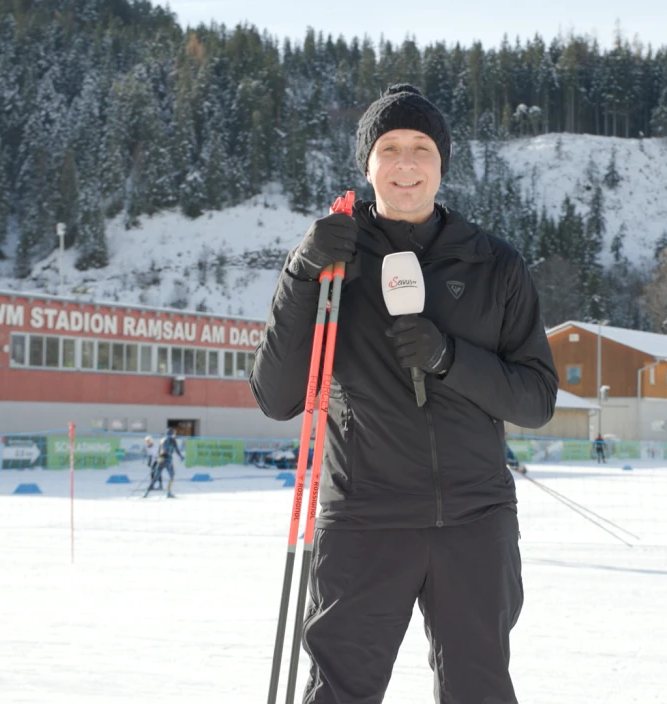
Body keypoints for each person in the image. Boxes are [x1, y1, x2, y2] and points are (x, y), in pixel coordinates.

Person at [250, 84, 557, 704]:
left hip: (475, 519)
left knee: (479, 691)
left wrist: (450, 358)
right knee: (340, 693)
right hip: (366, 520)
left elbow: (535, 399)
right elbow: (277, 396)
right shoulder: (333, 261)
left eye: (421, 148)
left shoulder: (494, 264)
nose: (406, 163)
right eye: (389, 148)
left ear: (442, 162)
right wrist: (299, 275)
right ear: (368, 165)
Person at [155, 428, 182, 498]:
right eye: (174, 433)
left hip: (161, 459)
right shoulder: (173, 440)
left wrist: (158, 458)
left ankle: (147, 492)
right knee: (172, 476)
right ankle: (168, 492)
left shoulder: (162, 440)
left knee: (157, 475)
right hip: (168, 460)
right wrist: (181, 456)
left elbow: (159, 450)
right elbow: (176, 450)